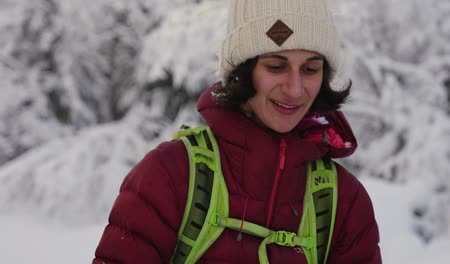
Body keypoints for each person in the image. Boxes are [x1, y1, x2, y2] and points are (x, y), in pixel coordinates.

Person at [92, 0, 381, 263]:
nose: (295, 89)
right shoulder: (170, 176)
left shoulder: (343, 202)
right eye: (276, 66)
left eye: (310, 69)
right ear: (244, 70)